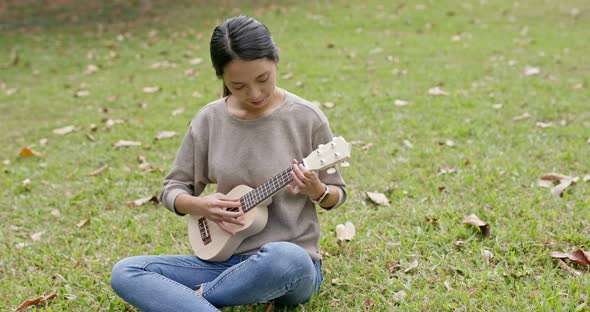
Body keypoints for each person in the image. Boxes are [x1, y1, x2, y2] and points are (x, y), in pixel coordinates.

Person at [111, 15, 347, 311]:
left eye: (263, 79)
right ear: (222, 78)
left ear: (275, 60)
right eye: (238, 85)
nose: (255, 93)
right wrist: (200, 206)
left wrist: (317, 190)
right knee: (126, 272)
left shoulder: (306, 118)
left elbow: (337, 194)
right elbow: (172, 189)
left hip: (288, 266)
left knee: (289, 258)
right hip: (225, 263)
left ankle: (193, 300)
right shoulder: (209, 120)